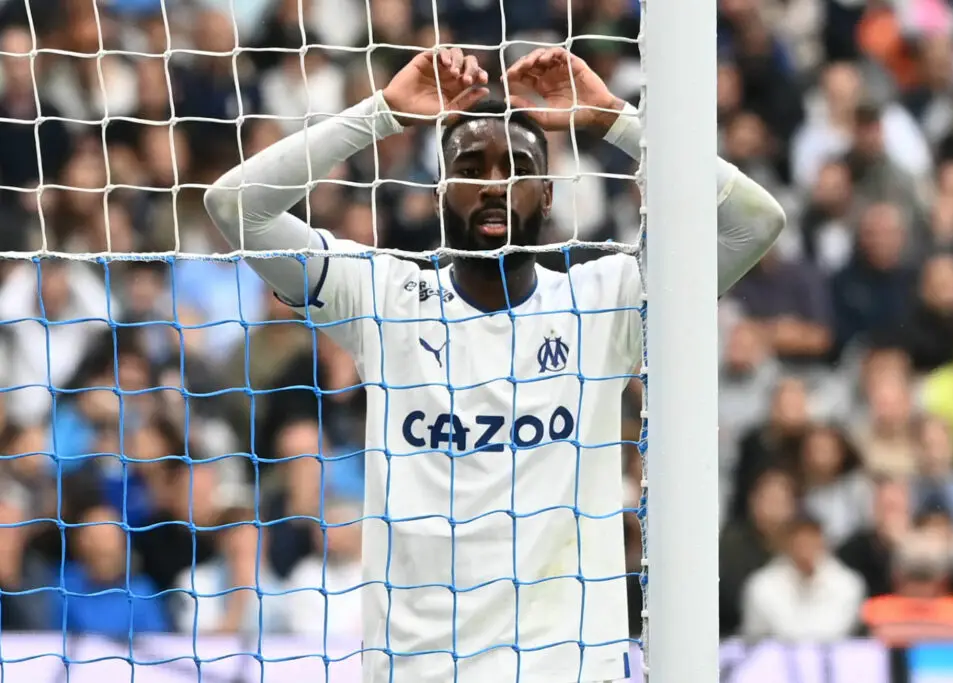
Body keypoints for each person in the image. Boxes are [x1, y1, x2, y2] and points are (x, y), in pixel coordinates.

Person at [204, 46, 785, 683]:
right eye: (471, 167)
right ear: (439, 192)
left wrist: (612, 118)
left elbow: (755, 222)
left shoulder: (606, 301)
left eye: (518, 168)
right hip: (420, 672)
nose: (494, 184)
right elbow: (235, 207)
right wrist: (382, 113)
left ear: (548, 194)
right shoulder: (383, 298)